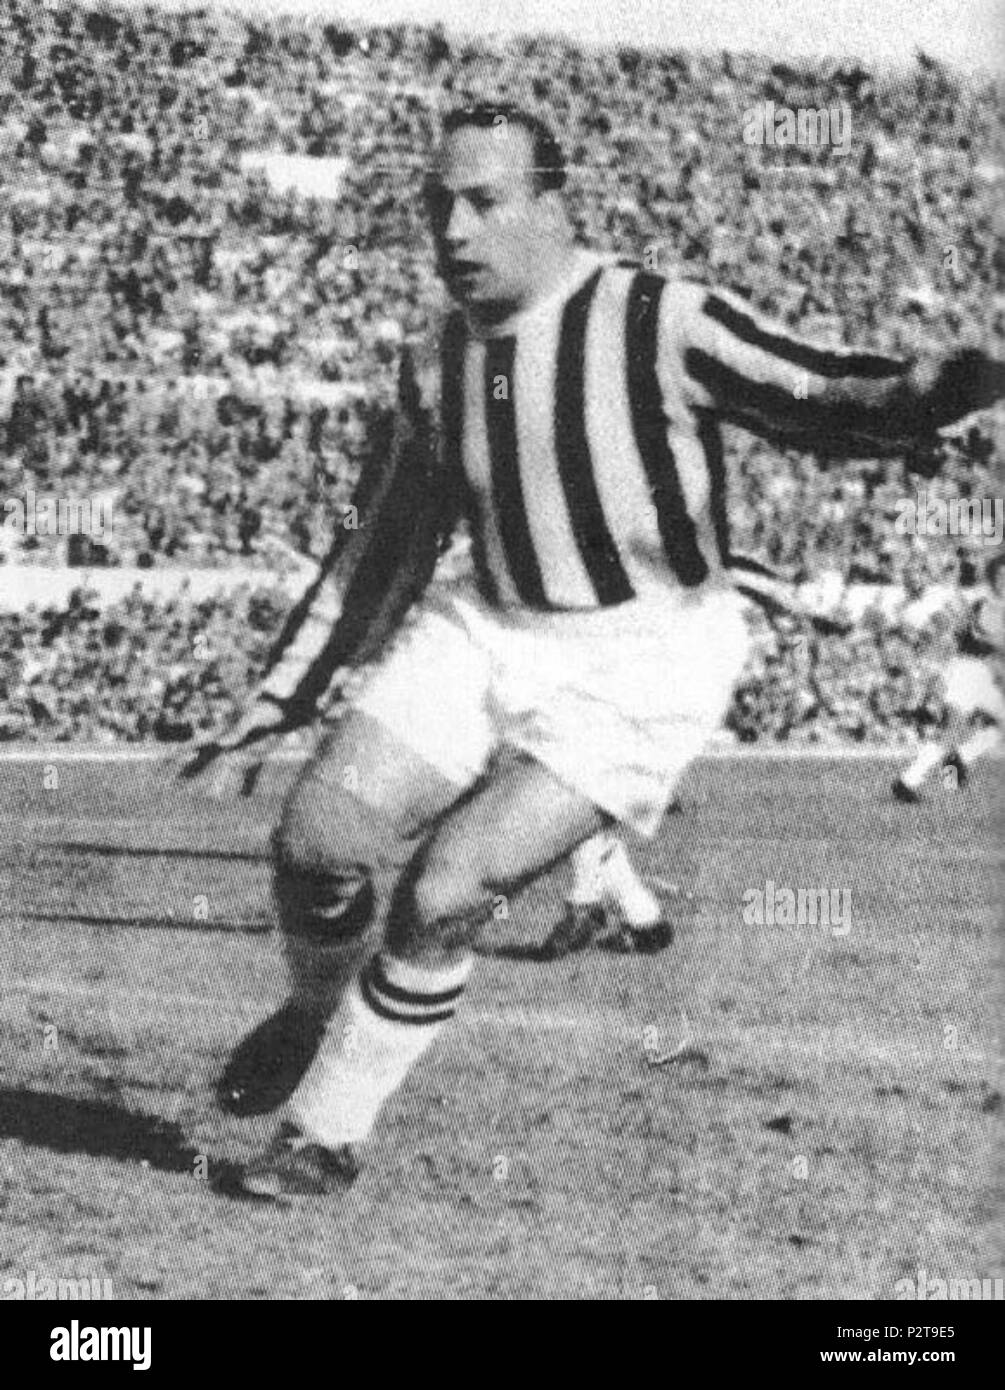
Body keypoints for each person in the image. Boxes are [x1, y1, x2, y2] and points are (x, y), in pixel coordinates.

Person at [205, 102, 1003, 1200]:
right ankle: (310, 1008)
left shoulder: (658, 319)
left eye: (483, 202)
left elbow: (816, 389)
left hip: (647, 657)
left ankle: (327, 1130)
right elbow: (385, 537)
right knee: (316, 841)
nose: (453, 230)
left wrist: (936, 388)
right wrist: (282, 691)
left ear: (551, 203)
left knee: (443, 892)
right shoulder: (435, 358)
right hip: (488, 620)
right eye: (436, 204)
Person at [893, 552, 1004, 801]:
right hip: (969, 670)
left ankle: (960, 757)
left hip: (986, 673)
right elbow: (987, 636)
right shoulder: (985, 602)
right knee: (950, 729)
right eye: (1001, 577)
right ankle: (907, 781)